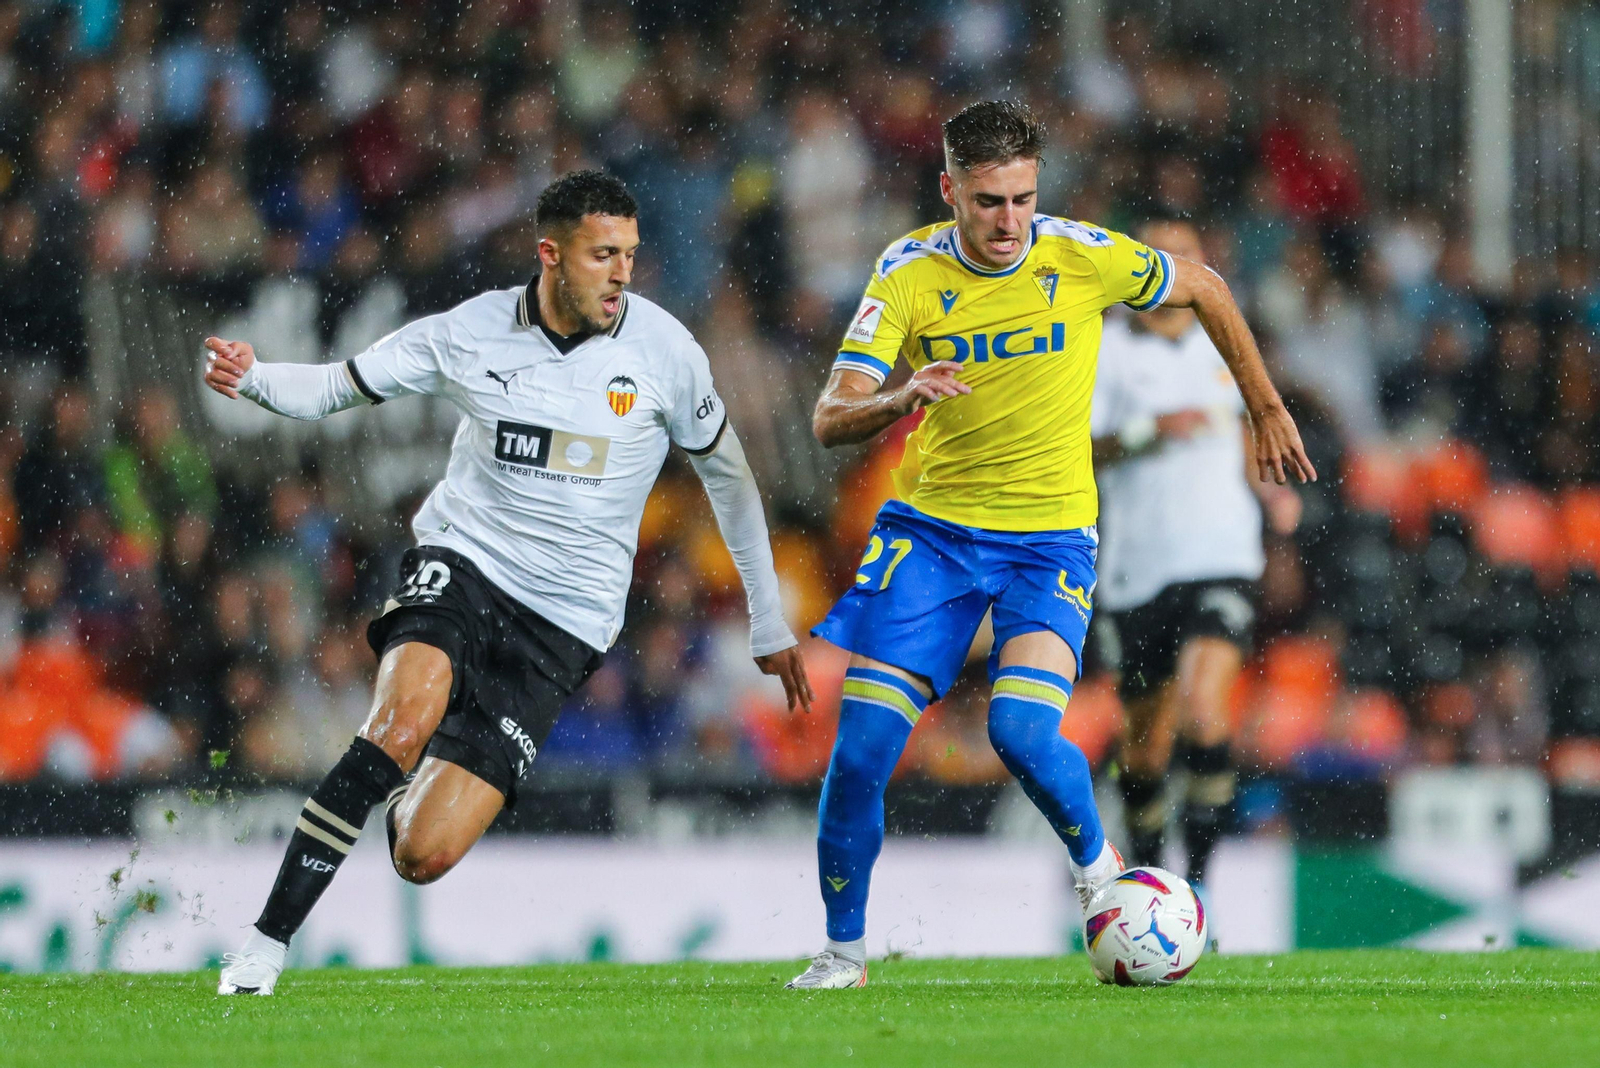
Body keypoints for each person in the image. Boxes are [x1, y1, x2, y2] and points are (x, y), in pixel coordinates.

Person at [204, 170, 813, 995]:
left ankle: (408, 772)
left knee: (422, 853)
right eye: (604, 255)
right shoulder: (471, 332)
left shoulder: (665, 351)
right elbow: (343, 384)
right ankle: (264, 948)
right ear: (550, 255)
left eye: (630, 255)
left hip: (563, 626)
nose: (622, 273)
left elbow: (731, 480)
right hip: (466, 564)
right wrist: (257, 378)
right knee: (400, 717)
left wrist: (768, 620)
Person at [792, 102, 1314, 990]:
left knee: (1022, 729)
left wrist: (1263, 405)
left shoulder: (1077, 252)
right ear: (949, 188)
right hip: (934, 538)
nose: (1008, 223)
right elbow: (830, 416)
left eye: (1023, 200)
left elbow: (1207, 287)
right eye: (989, 202)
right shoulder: (907, 274)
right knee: (862, 752)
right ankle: (842, 953)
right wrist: (901, 395)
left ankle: (1101, 878)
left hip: (1048, 543)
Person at [1089, 218, 1301, 896]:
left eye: (1188, 253)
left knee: (1207, 711)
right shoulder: (1106, 351)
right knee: (1145, 751)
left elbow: (1244, 425)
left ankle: (1200, 888)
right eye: (1161, 255)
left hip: (1222, 551)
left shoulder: (1224, 342)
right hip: (1136, 566)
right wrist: (1151, 430)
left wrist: (1271, 500)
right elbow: (1080, 447)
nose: (1176, 266)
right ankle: (1153, 876)